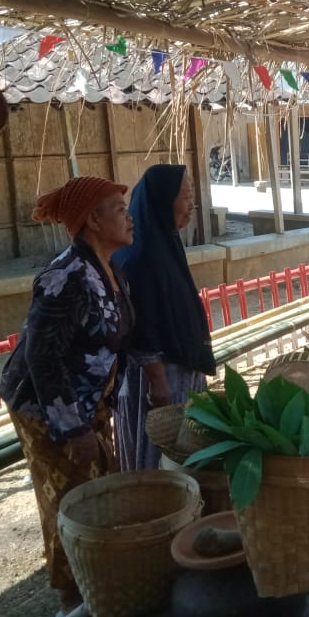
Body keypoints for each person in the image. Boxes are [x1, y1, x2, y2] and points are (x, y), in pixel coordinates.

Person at [0, 176, 135, 614]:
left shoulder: (111, 273)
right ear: (93, 220)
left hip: (88, 404)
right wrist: (73, 428)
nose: (128, 215)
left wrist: (103, 409)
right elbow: (42, 358)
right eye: (118, 208)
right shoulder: (66, 277)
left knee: (97, 486)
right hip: (47, 409)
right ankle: (71, 597)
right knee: (68, 497)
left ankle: (93, 580)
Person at [112, 164, 215, 470]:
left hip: (178, 371)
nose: (191, 205)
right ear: (161, 200)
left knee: (184, 454)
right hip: (159, 382)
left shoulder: (163, 243)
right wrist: (158, 381)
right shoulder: (138, 257)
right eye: (185, 196)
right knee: (160, 455)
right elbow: (140, 325)